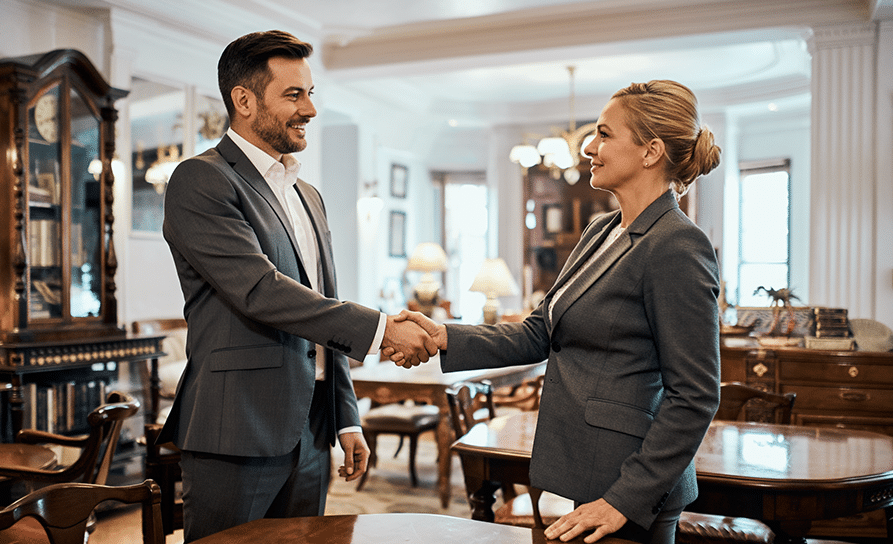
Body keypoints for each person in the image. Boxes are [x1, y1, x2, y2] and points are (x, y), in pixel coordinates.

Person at [389, 80, 722, 544]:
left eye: (605, 134)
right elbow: (536, 332)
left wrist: (622, 499)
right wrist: (443, 335)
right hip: (569, 469)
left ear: (651, 151)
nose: (589, 146)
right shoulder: (600, 229)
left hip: (626, 490)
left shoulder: (678, 245)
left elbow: (696, 395)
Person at [158, 30, 436, 542]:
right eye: (293, 95)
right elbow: (260, 291)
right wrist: (381, 329)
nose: (310, 108)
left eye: (311, 94)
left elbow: (320, 310)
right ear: (243, 100)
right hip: (234, 429)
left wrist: (345, 417)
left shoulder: (308, 194)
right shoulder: (201, 180)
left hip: (311, 433)